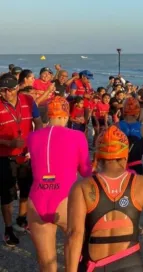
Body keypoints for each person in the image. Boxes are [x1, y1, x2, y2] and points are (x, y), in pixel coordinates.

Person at [65, 125, 143, 272]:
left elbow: (74, 235)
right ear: (125, 155)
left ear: (98, 157)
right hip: (131, 264)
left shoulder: (82, 187)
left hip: (94, 265)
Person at [27, 96, 91, 271]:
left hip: (37, 200)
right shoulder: (77, 136)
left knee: (47, 265)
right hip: (64, 199)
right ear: (67, 115)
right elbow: (86, 172)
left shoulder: (32, 137)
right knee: (74, 262)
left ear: (49, 114)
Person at [0, 75, 42, 245]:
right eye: (1, 90)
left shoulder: (28, 100)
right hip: (4, 156)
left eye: (8, 90)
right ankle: (8, 229)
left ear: (17, 87)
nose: (4, 93)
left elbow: (38, 123)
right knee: (8, 196)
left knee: (26, 190)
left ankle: (21, 220)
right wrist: (8, 142)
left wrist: (35, 143)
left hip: (26, 155)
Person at [118, 97, 143, 175]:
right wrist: (138, 150)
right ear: (138, 113)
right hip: (136, 166)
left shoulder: (115, 127)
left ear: (123, 111)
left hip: (118, 166)